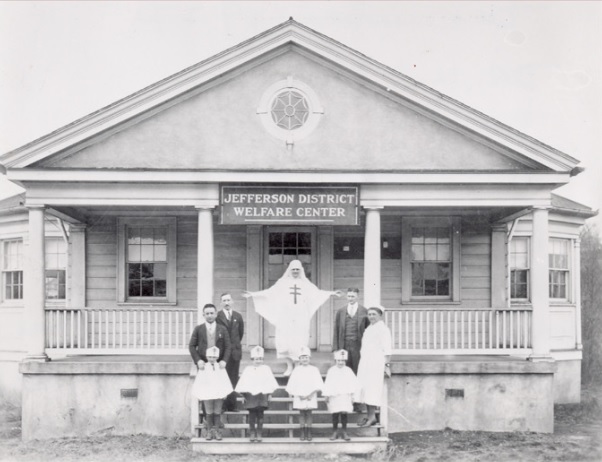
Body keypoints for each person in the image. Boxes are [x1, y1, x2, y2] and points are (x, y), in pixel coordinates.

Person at [243, 259, 341, 375]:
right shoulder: (282, 283)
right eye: (293, 269)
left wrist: (331, 293)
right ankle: (289, 365)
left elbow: (317, 293)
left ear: (300, 270)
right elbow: (269, 293)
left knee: (299, 339)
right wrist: (253, 294)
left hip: (301, 316)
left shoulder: (305, 284)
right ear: (289, 270)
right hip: (286, 316)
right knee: (285, 340)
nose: (295, 271)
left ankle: (298, 365)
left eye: (297, 269)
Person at [355, 306, 392, 427]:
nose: (371, 316)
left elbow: (387, 349)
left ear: (380, 315)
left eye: (374, 314)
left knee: (372, 389)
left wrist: (387, 365)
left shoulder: (383, 329)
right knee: (365, 389)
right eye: (369, 314)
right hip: (366, 362)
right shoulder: (369, 328)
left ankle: (372, 417)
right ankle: (369, 416)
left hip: (376, 363)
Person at [235, 345, 279, 442]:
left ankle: (259, 433)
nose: (258, 361)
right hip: (251, 396)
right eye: (256, 359)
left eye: (260, 359)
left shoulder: (266, 369)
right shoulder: (248, 369)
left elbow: (270, 382)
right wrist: (243, 395)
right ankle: (252, 432)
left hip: (262, 395)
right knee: (252, 415)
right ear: (252, 359)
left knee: (260, 415)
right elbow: (243, 383)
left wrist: (270, 394)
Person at [191, 346, 233, 441]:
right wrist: (201, 393)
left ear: (217, 357)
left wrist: (225, 392)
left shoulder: (221, 367)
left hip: (219, 393)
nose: (212, 359)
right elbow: (200, 381)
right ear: (206, 357)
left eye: (214, 357)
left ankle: (217, 431)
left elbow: (225, 380)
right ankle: (209, 431)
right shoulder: (204, 367)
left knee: (217, 412)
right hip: (207, 393)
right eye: (210, 357)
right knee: (209, 413)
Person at [285, 346, 324, 441]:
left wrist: (311, 394)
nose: (305, 359)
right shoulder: (296, 370)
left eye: (306, 357)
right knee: (301, 413)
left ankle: (309, 431)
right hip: (300, 396)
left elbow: (319, 384)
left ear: (309, 358)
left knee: (309, 413)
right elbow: (292, 385)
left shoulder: (314, 369)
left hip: (311, 396)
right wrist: (299, 395)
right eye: (302, 357)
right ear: (299, 359)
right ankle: (302, 431)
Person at [216, 292, 245, 412]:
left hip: (235, 353)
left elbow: (240, 333)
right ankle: (222, 405)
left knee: (233, 378)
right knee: (223, 378)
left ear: (232, 301)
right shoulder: (218, 316)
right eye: (224, 300)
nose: (226, 303)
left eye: (228, 300)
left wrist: (234, 346)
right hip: (223, 353)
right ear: (221, 303)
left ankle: (232, 405)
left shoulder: (238, 316)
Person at [323, 349, 359, 441]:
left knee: (344, 413)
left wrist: (353, 396)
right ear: (335, 360)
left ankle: (344, 432)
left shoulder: (348, 371)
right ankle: (334, 432)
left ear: (345, 361)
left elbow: (353, 383)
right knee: (335, 414)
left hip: (345, 395)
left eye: (342, 360)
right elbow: (328, 383)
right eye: (339, 360)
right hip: (334, 396)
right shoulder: (331, 370)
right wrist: (327, 395)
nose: (340, 362)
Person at [332, 288, 369, 375]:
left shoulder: (364, 311)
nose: (350, 298)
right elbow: (336, 330)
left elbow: (368, 330)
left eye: (353, 296)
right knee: (344, 369)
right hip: (344, 344)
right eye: (349, 296)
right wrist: (335, 348)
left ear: (357, 296)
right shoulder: (341, 311)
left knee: (358, 368)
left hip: (358, 345)